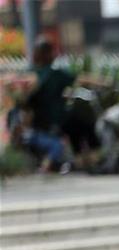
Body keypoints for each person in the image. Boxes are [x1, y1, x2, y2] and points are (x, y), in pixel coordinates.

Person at [20, 38, 75, 172]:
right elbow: (79, 78)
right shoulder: (52, 75)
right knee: (57, 145)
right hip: (38, 132)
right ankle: (44, 170)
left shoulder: (30, 73)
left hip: (37, 131)